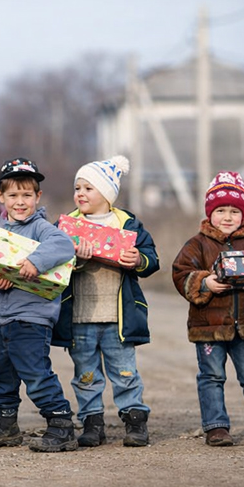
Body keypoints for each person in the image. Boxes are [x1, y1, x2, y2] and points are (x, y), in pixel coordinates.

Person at [172, 171, 244, 447]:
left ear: (243, 214)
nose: (228, 217)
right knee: (211, 377)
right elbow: (180, 274)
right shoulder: (197, 244)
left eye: (235, 211)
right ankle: (216, 427)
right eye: (221, 210)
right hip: (209, 327)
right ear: (209, 213)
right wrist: (204, 282)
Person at [0, 158, 78, 452]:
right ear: (1, 196)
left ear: (37, 197)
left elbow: (64, 245)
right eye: (13, 195)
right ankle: (5, 426)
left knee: (35, 372)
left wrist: (34, 262)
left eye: (27, 195)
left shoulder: (41, 228)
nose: (20, 202)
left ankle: (61, 425)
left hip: (32, 318)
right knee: (0, 375)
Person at [52, 156, 159, 447]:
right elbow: (50, 264)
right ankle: (92, 422)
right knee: (85, 374)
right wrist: (73, 260)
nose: (81, 194)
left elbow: (152, 259)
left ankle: (135, 420)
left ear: (107, 193)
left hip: (117, 316)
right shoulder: (66, 225)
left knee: (125, 371)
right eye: (78, 188)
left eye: (89, 188)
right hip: (79, 317)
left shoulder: (127, 223)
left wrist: (138, 259)